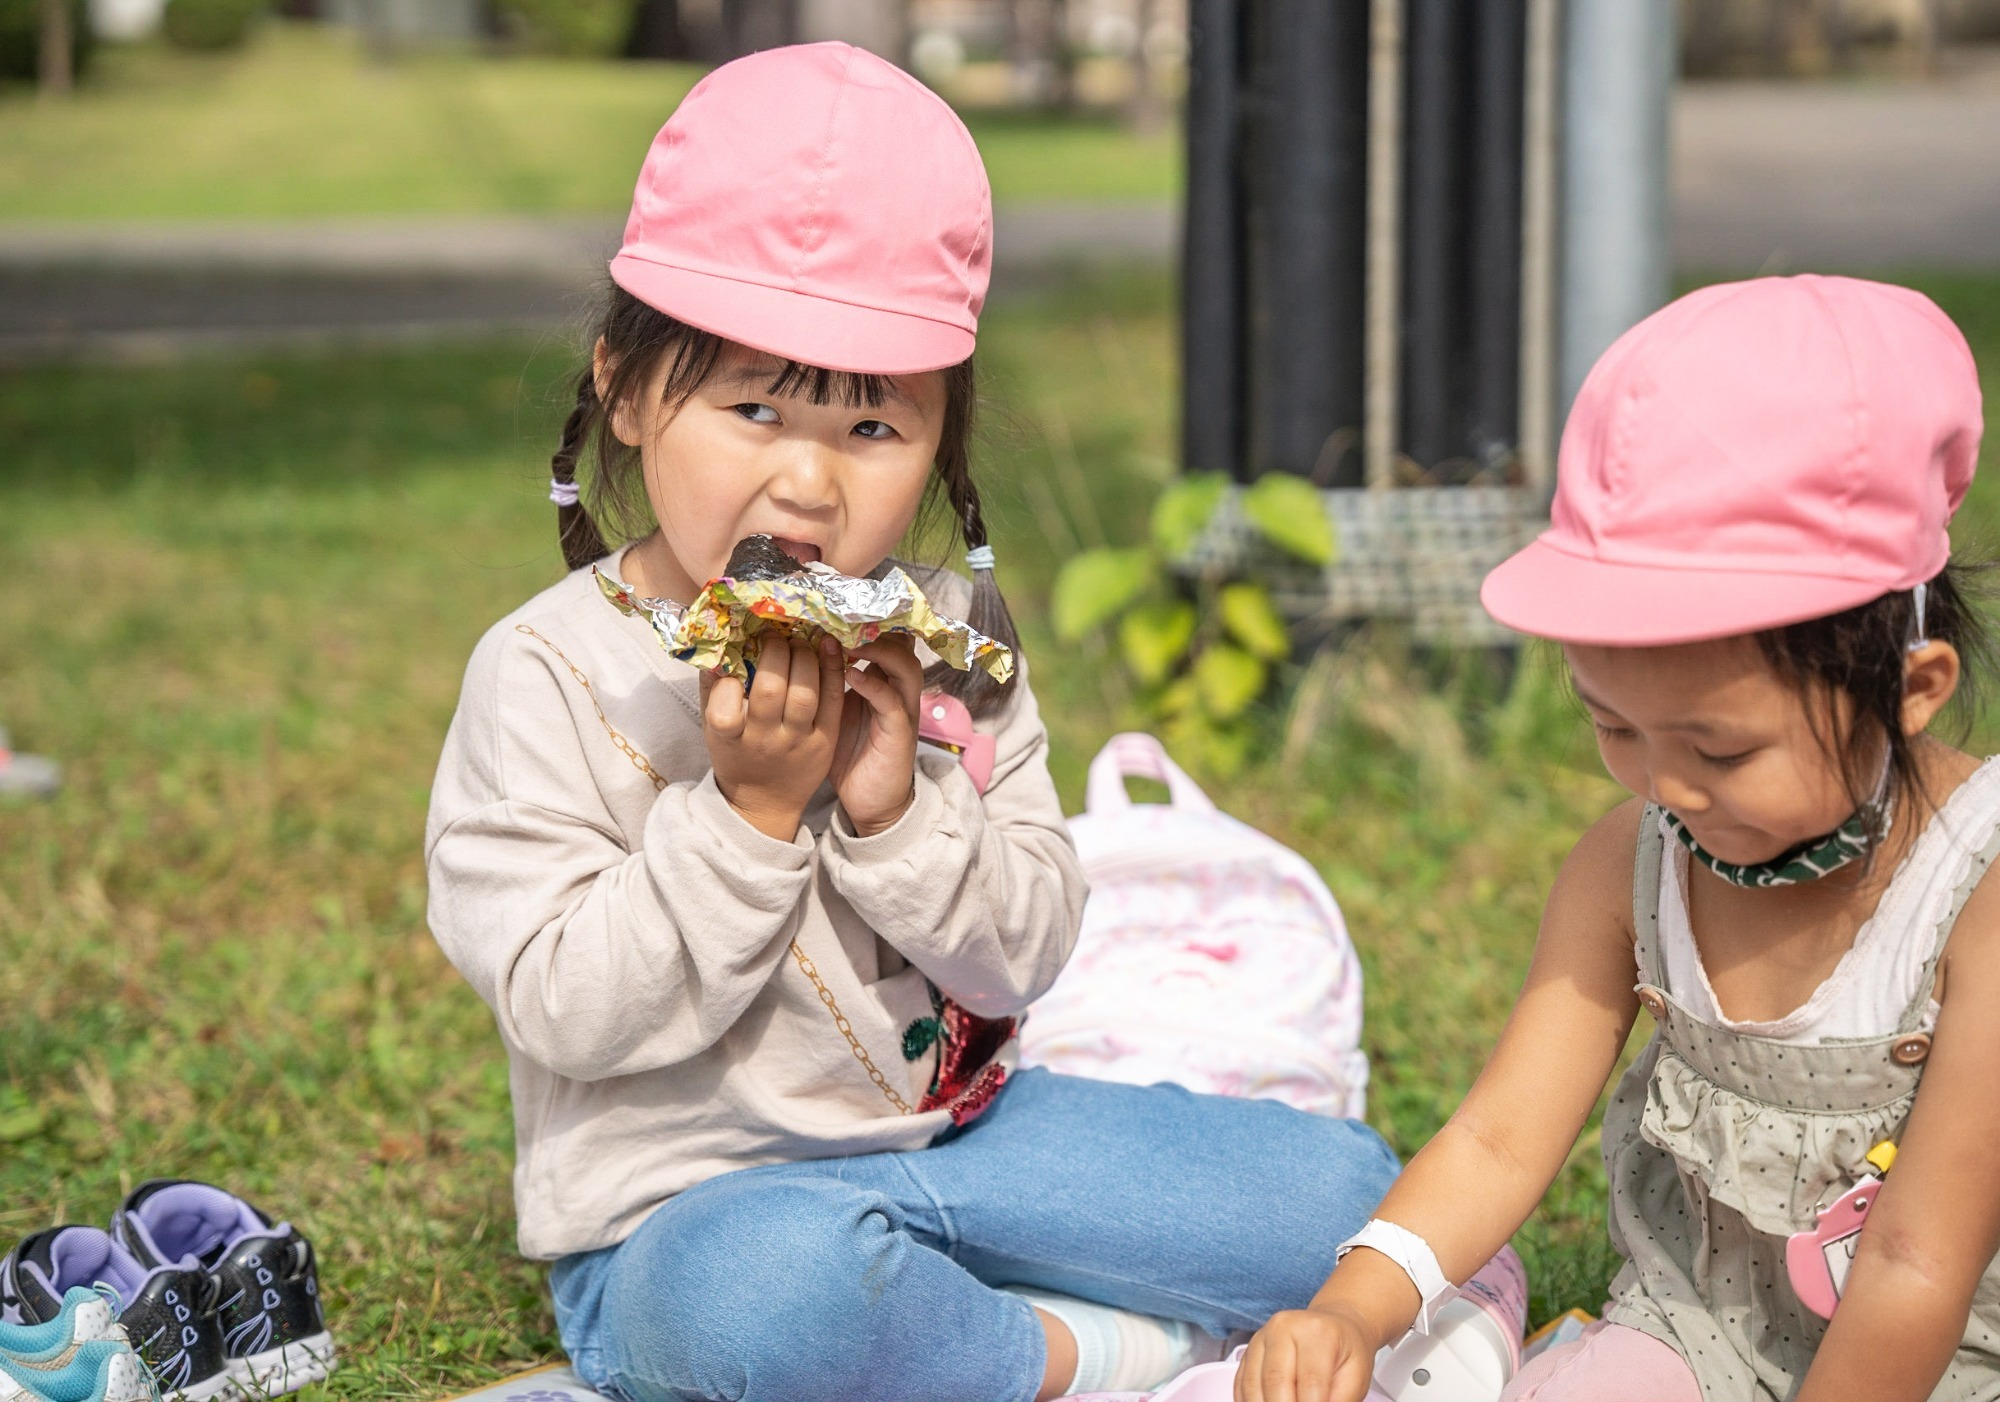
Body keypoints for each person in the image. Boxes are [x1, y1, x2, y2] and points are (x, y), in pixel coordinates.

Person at [424, 43, 1398, 1402]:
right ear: (632, 393)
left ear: (941, 442)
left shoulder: (948, 636)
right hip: (684, 1217)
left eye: (874, 425)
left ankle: (928, 1321)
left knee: (1343, 1196)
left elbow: (1028, 950)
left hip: (960, 1145)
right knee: (770, 1303)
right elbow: (565, 1005)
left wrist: (897, 810)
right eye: (754, 407)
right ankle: (1076, 1354)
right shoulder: (544, 673)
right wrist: (749, 814)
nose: (809, 481)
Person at [1237, 275, 2000, 1402]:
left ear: (1911, 683)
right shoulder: (1629, 863)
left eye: (1722, 750)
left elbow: (1911, 1259)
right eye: (1613, 726)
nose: (1666, 787)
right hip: (1696, 1329)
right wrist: (1353, 1305)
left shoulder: (1974, 888)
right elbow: (1500, 1138)